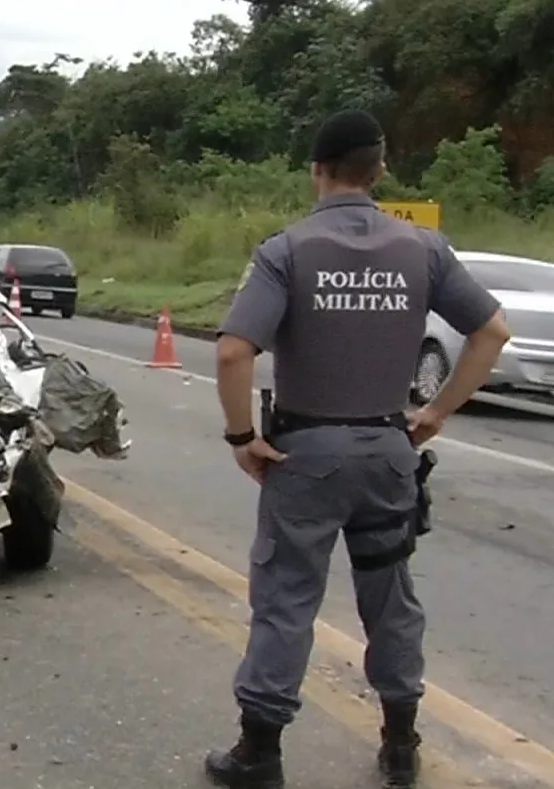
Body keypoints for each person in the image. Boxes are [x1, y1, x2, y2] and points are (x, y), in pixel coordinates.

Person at [205, 108, 511, 789]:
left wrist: (241, 437)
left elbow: (232, 351)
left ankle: (260, 753)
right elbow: (491, 330)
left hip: (306, 455)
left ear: (317, 171)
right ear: (379, 173)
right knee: (391, 596)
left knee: (286, 598)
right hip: (387, 449)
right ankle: (401, 744)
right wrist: (435, 411)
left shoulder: (287, 250)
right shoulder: (424, 249)